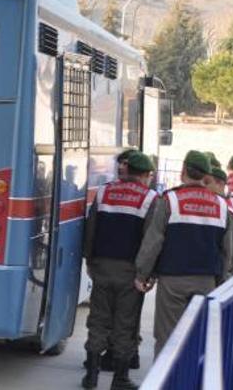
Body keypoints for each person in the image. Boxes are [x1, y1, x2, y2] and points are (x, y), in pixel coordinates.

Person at [135, 150, 233, 356]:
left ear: (183, 170)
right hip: (206, 280)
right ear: (206, 176)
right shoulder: (221, 205)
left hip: (173, 280)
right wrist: (221, 276)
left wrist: (143, 274)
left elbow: (154, 241)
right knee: (198, 337)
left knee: (167, 338)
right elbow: (230, 249)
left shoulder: (170, 199)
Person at [81, 152, 158, 390]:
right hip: (130, 271)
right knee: (125, 324)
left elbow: (91, 227)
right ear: (145, 175)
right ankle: (120, 379)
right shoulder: (150, 198)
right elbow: (150, 241)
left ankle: (91, 376)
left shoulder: (104, 191)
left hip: (102, 266)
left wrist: (90, 260)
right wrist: (146, 273)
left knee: (98, 320)